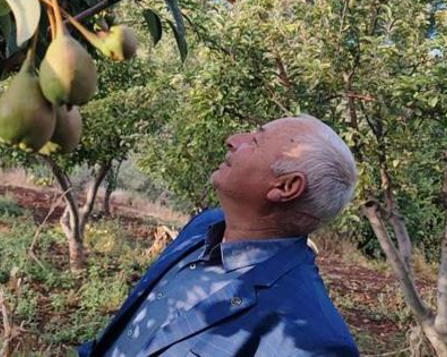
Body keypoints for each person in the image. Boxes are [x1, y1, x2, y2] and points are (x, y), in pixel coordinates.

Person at [79, 115, 360, 357]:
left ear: (286, 186)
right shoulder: (204, 226)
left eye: (255, 141)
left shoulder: (312, 342)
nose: (233, 140)